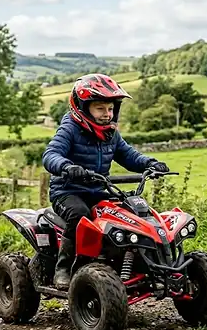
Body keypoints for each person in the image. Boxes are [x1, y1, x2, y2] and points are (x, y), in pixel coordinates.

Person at [41, 73, 170, 290]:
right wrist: (66, 167)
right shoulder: (69, 129)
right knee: (79, 216)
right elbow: (50, 154)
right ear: (83, 108)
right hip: (67, 191)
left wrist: (150, 163)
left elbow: (129, 156)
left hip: (99, 190)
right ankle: (64, 269)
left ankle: (143, 265)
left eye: (110, 109)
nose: (107, 114)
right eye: (100, 109)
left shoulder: (110, 134)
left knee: (130, 214)